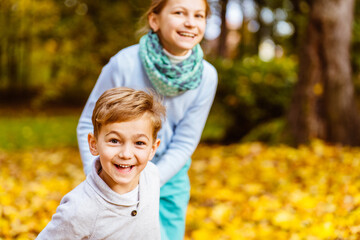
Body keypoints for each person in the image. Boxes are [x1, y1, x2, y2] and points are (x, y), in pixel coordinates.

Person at [76, 0, 218, 239]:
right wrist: (100, 177)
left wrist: (151, 182)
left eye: (199, 15)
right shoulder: (124, 62)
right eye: (179, 12)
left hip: (169, 179)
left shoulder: (207, 76)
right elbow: (86, 126)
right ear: (155, 20)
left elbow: (185, 141)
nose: (190, 22)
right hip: (116, 174)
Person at [37, 87, 166, 239]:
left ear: (152, 149)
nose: (126, 154)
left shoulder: (151, 175)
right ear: (93, 144)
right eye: (114, 141)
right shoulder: (78, 210)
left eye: (139, 143)